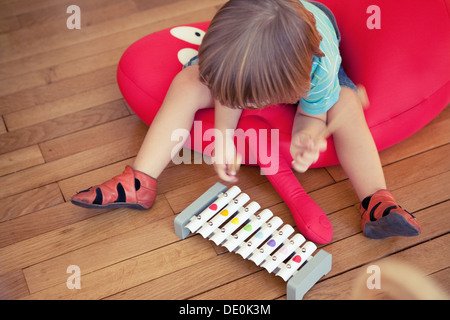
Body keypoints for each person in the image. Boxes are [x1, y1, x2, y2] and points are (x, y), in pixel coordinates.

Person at [71, 0, 421, 240]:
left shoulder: (318, 71)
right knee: (187, 82)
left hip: (306, 49)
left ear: (290, 88)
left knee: (346, 105)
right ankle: (140, 181)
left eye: (252, 101)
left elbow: (312, 113)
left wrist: (306, 135)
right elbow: (228, 92)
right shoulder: (230, 46)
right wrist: (224, 136)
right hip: (252, 43)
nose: (244, 106)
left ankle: (376, 200)